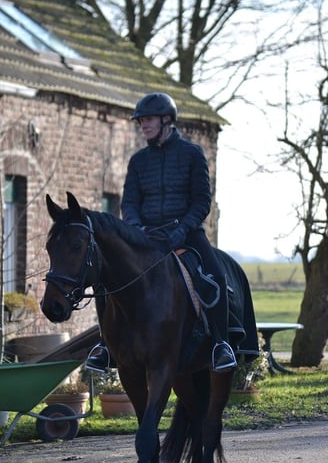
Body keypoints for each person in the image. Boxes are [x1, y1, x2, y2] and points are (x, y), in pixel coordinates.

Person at [86, 92, 237, 373]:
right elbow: (129, 203)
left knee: (215, 274)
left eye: (148, 119)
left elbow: (201, 201)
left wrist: (182, 230)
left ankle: (220, 344)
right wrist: (136, 228)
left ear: (167, 120)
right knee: (104, 279)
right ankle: (105, 347)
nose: (143, 125)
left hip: (186, 233)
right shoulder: (138, 161)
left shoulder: (193, 154)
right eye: (141, 121)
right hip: (146, 236)